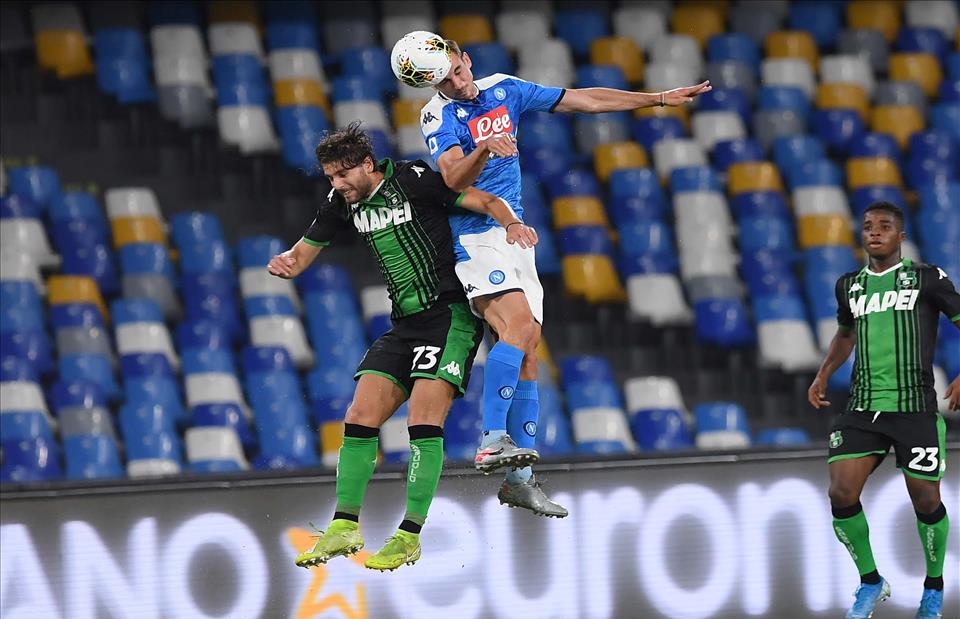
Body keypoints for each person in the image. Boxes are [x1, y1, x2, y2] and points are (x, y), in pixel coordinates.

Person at [414, 34, 712, 517]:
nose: (456, 81)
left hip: (515, 237)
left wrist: (658, 98)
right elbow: (450, 178)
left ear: (466, 60)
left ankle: (520, 480)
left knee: (529, 347)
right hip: (475, 236)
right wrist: (485, 148)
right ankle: (491, 439)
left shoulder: (504, 88)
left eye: (458, 69)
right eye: (445, 79)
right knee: (519, 329)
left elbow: (585, 99)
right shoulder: (437, 115)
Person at [270, 122, 539, 572]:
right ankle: (344, 525)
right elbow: (303, 251)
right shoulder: (342, 203)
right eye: (330, 177)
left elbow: (484, 200)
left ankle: (409, 535)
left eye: (342, 175)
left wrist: (511, 223)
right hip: (404, 324)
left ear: (367, 165)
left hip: (449, 316)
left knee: (422, 422)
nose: (337, 185)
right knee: (358, 416)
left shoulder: (413, 181)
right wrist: (286, 263)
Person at [807, 202, 960, 619]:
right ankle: (871, 581)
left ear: (900, 236)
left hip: (914, 408)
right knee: (840, 492)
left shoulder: (927, 278)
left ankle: (933, 588)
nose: (874, 233)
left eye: (885, 227)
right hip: (863, 408)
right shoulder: (849, 286)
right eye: (868, 226)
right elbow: (846, 333)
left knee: (926, 501)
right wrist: (823, 374)